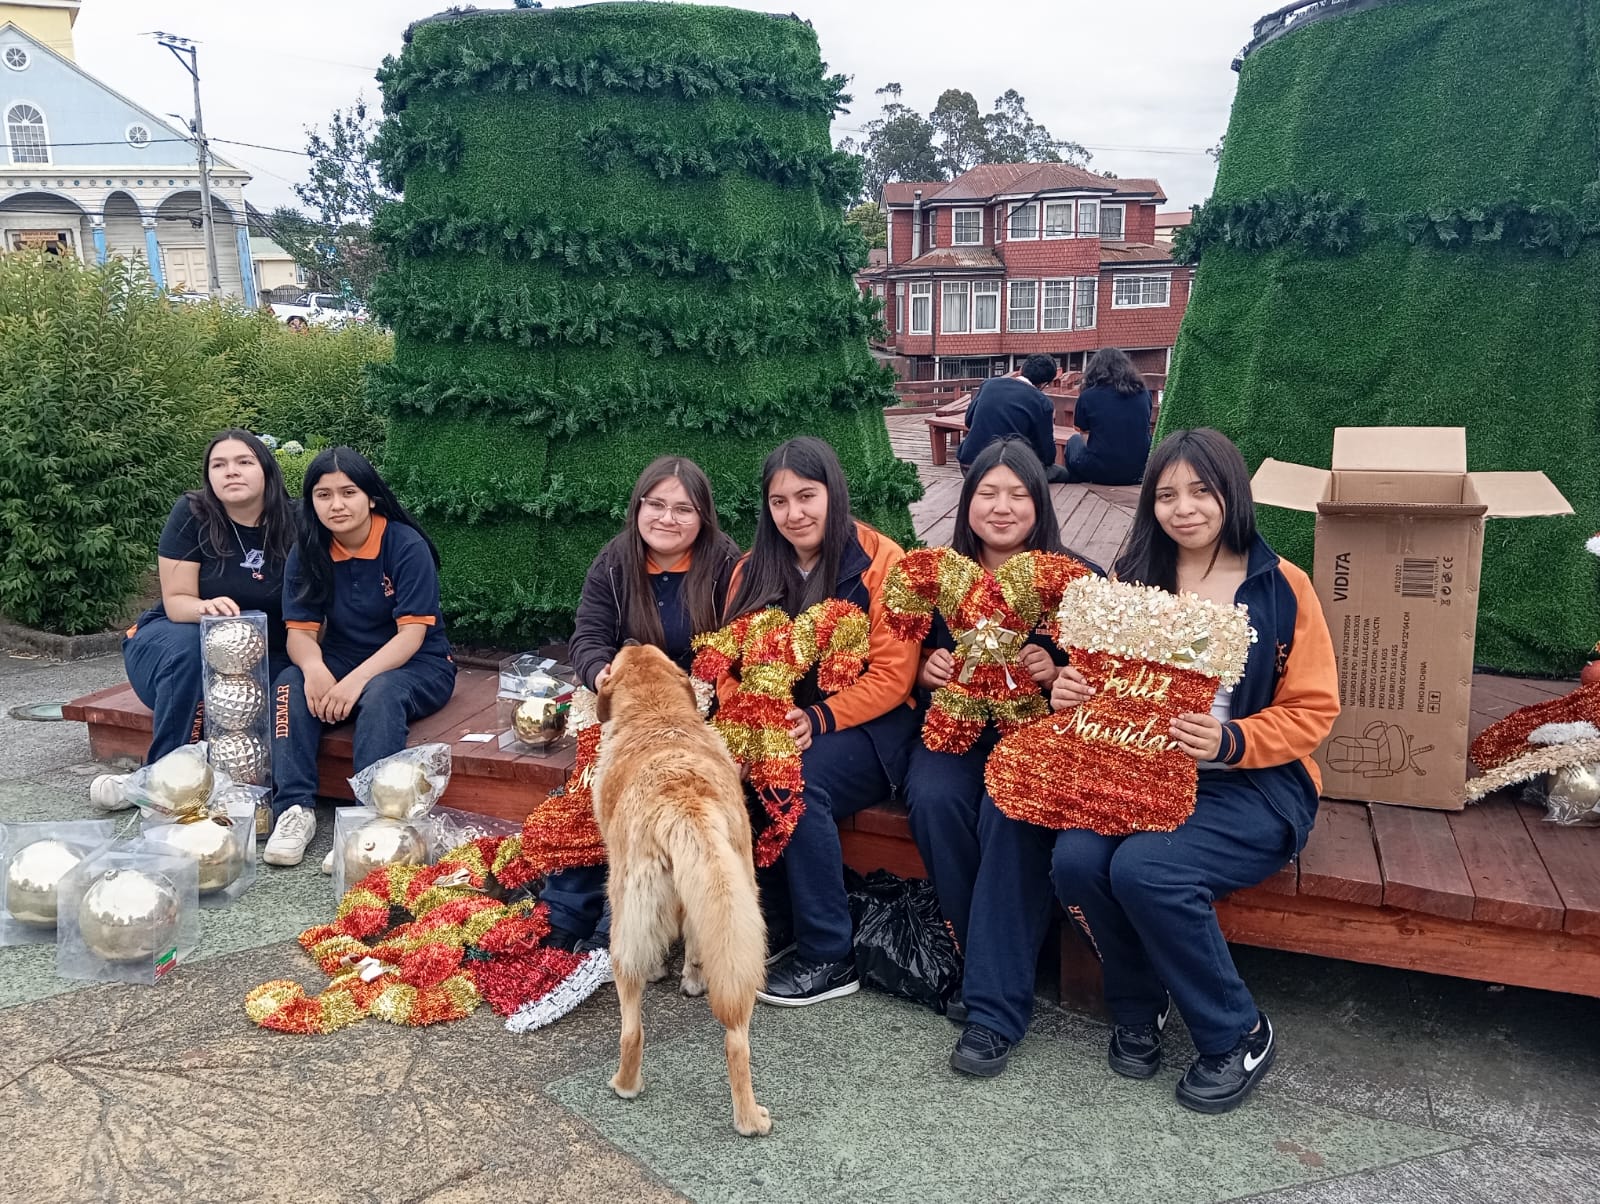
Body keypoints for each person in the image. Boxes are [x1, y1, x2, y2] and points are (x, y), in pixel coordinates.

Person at [955, 429, 1339, 1111]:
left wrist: (1232, 739)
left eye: (1201, 490)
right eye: (1166, 494)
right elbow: (1100, 685)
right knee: (1074, 858)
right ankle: (1139, 1004)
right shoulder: (1132, 580)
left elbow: (1314, 708)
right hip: (1133, 770)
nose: (1183, 508)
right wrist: (1071, 690)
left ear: (1232, 494)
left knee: (1145, 869)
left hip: (1252, 783)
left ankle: (1238, 1031)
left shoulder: (1281, 588)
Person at [720, 436, 920, 1006]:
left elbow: (895, 676)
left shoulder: (885, 562)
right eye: (779, 502)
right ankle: (775, 918)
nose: (794, 514)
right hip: (776, 721)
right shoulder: (750, 571)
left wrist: (819, 716)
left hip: (870, 729)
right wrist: (749, 712)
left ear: (834, 492)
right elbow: (726, 666)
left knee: (795, 780)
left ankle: (829, 955)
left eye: (807, 496)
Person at [901, 436, 1081, 1024]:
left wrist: (1055, 670)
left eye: (1019, 495)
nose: (1002, 507)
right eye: (987, 493)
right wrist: (925, 673)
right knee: (933, 798)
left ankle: (993, 989)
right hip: (954, 728)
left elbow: (1100, 669)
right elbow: (905, 654)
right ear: (966, 502)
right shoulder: (936, 573)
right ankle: (978, 952)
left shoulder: (1074, 577)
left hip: (1037, 735)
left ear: (1040, 505)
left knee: (1005, 810)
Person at [542, 456, 741, 951]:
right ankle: (569, 909)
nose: (667, 519)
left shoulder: (726, 565)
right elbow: (587, 635)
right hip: (628, 701)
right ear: (637, 507)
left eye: (683, 509)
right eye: (656, 505)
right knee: (594, 777)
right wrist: (598, 671)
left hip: (703, 705)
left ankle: (630, 917)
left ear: (703, 517)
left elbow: (744, 640)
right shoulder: (615, 560)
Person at [264, 447, 458, 869]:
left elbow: (412, 635)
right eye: (323, 495)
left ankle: (365, 820)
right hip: (341, 656)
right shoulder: (308, 549)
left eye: (348, 492)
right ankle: (294, 810)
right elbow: (299, 632)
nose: (336, 505)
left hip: (418, 662)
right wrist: (314, 669)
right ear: (310, 502)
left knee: (382, 692)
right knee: (287, 684)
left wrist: (354, 682)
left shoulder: (404, 545)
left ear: (370, 495)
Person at [92, 429, 295, 810]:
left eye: (244, 462)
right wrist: (207, 607)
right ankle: (161, 780)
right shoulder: (192, 513)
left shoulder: (296, 522)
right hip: (177, 639)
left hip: (257, 657)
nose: (231, 472)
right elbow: (176, 602)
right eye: (219, 465)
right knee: (191, 648)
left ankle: (247, 795)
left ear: (267, 471)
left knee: (285, 683)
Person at [957, 353, 1069, 483]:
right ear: (1044, 384)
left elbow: (968, 420)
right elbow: (1047, 455)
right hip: (1006, 470)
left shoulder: (989, 384)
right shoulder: (1042, 402)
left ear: (1021, 370)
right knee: (1062, 473)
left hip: (969, 466)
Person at [1063, 347, 1153, 485]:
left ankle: (1078, 482)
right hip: (1139, 470)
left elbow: (1085, 438)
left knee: (1074, 441)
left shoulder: (1088, 396)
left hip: (1101, 473)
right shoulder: (1144, 393)